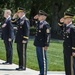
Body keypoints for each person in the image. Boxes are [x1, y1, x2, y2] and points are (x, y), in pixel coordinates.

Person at [34, 10, 51, 75]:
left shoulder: (46, 25)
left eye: (40, 15)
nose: (38, 16)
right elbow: (34, 21)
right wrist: (34, 18)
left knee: (43, 59)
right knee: (39, 59)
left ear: (44, 17)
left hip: (42, 44)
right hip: (38, 43)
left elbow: (48, 35)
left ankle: (43, 73)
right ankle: (41, 72)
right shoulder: (39, 23)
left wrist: (46, 44)